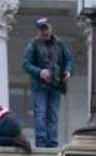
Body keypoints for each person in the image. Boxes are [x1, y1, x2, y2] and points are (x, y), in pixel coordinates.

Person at [21, 18, 73, 148]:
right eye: (42, 29)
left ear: (51, 28)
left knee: (53, 115)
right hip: (40, 86)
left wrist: (68, 71)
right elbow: (26, 64)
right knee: (41, 114)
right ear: (38, 30)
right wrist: (39, 72)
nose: (45, 32)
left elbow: (69, 60)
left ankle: (52, 143)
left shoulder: (60, 44)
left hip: (56, 84)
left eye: (47, 28)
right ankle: (41, 143)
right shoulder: (33, 44)